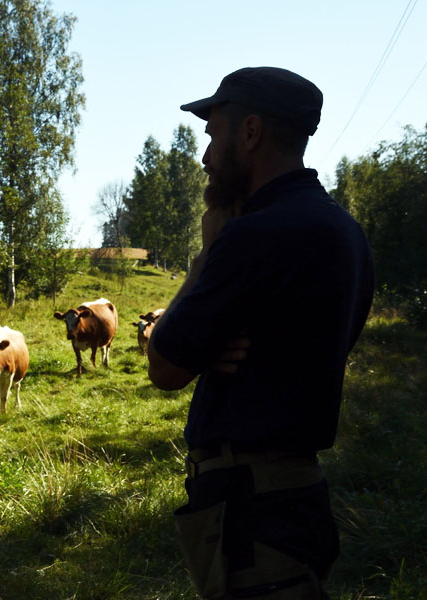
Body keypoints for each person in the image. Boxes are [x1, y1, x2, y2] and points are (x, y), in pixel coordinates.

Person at [146, 67, 375, 599]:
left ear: (249, 133)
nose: (204, 157)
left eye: (212, 135)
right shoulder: (345, 232)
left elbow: (164, 367)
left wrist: (205, 257)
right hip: (300, 501)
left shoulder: (251, 236)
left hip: (249, 515)